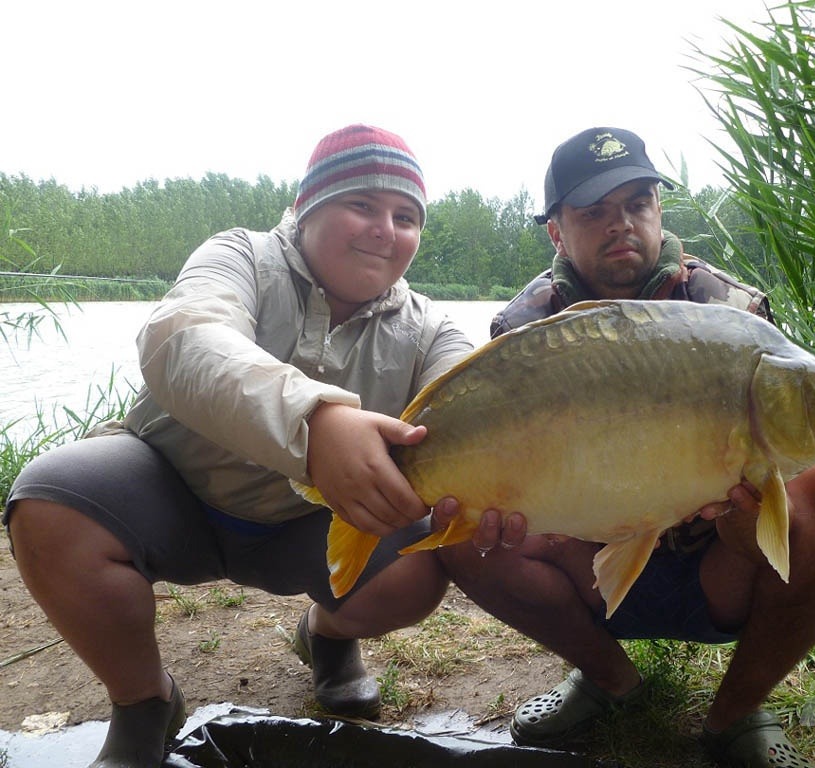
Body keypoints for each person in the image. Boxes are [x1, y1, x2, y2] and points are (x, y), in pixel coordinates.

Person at [2, 124, 476, 768]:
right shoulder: (241, 256)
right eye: (361, 205)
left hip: (309, 523)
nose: (384, 230)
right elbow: (184, 337)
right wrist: (315, 421)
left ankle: (327, 638)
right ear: (307, 207)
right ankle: (144, 702)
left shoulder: (432, 326)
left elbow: (477, 404)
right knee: (52, 499)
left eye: (406, 216)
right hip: (173, 489)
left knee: (419, 570)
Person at [433, 127, 815, 768]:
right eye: (594, 212)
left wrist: (744, 518)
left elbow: (771, 504)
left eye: (636, 204)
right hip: (589, 563)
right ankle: (607, 680)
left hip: (720, 572)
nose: (619, 224)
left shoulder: (731, 313)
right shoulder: (523, 327)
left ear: (658, 210)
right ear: (556, 232)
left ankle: (738, 711)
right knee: (454, 522)